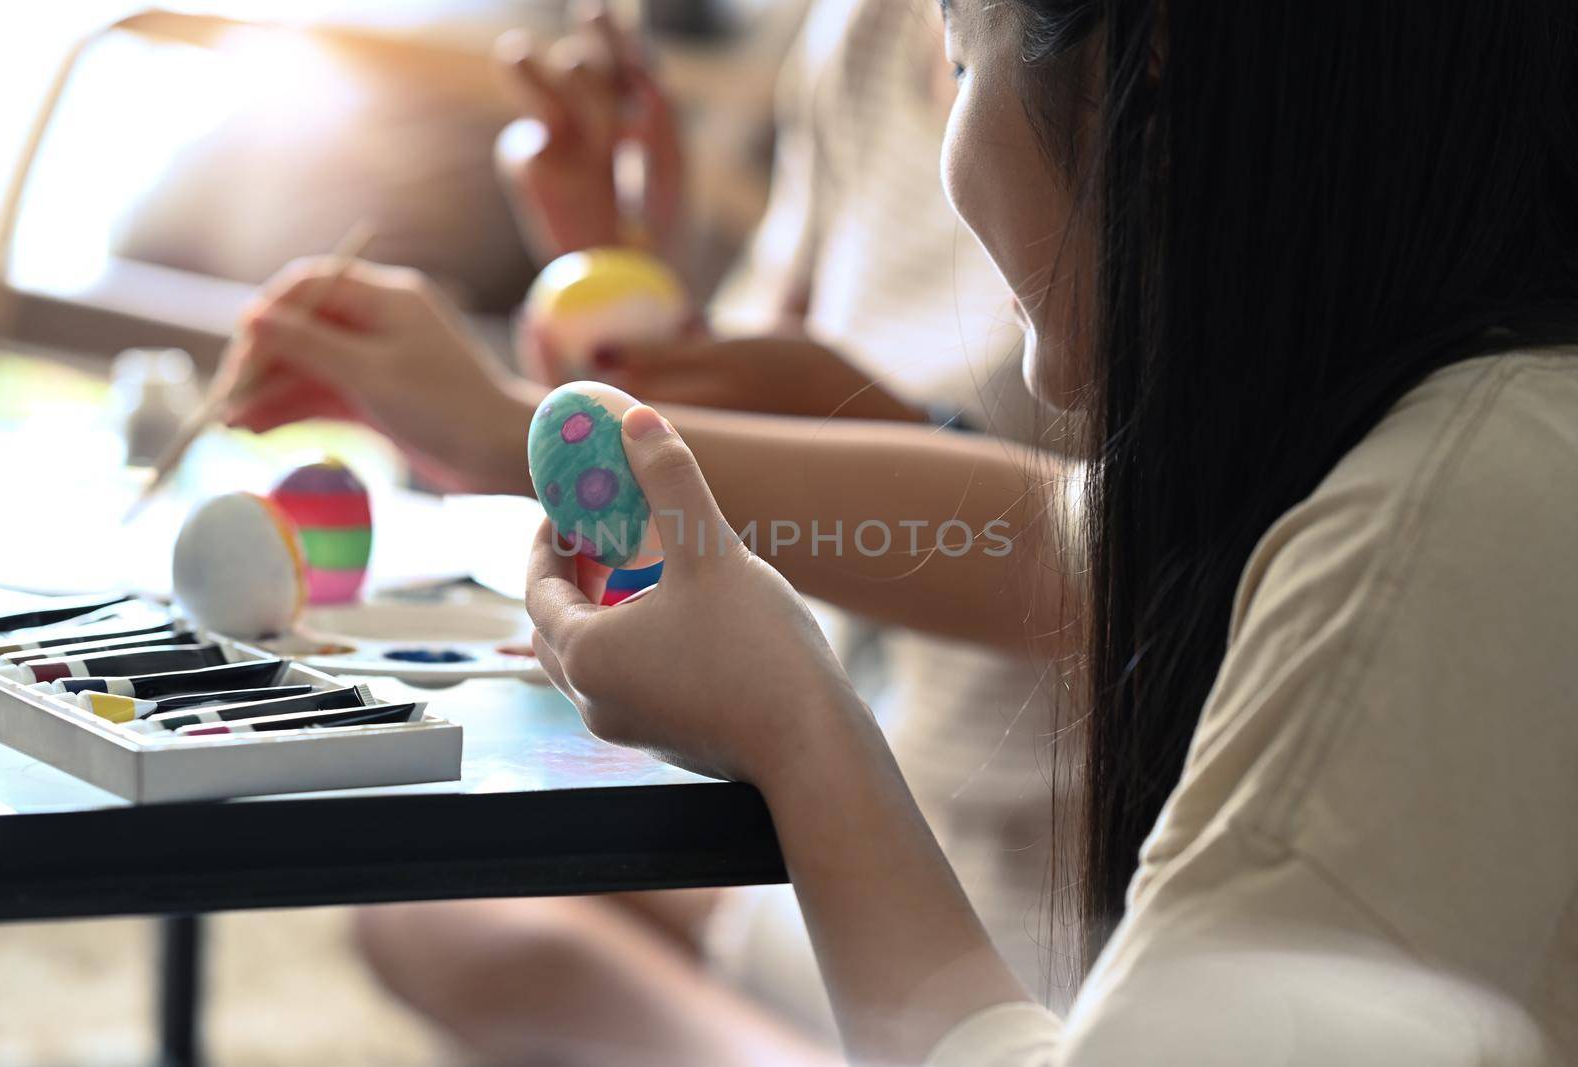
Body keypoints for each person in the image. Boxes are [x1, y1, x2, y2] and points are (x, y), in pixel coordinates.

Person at [229, 0, 1578, 1062]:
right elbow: (1054, 533)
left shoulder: (1461, 507)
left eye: (962, 35)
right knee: (431, 908)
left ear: (1146, 61)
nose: (948, 121)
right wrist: (515, 420)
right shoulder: (1444, 421)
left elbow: (1045, 542)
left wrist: (798, 728)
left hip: (1015, 896)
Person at [227, 1, 1079, 1060]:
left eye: (964, 57)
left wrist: (510, 431)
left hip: (1058, 908)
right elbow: (770, 393)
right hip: (880, 820)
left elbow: (1103, 552)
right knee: (423, 899)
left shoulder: (1131, 70)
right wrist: (616, 279)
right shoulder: (860, 36)